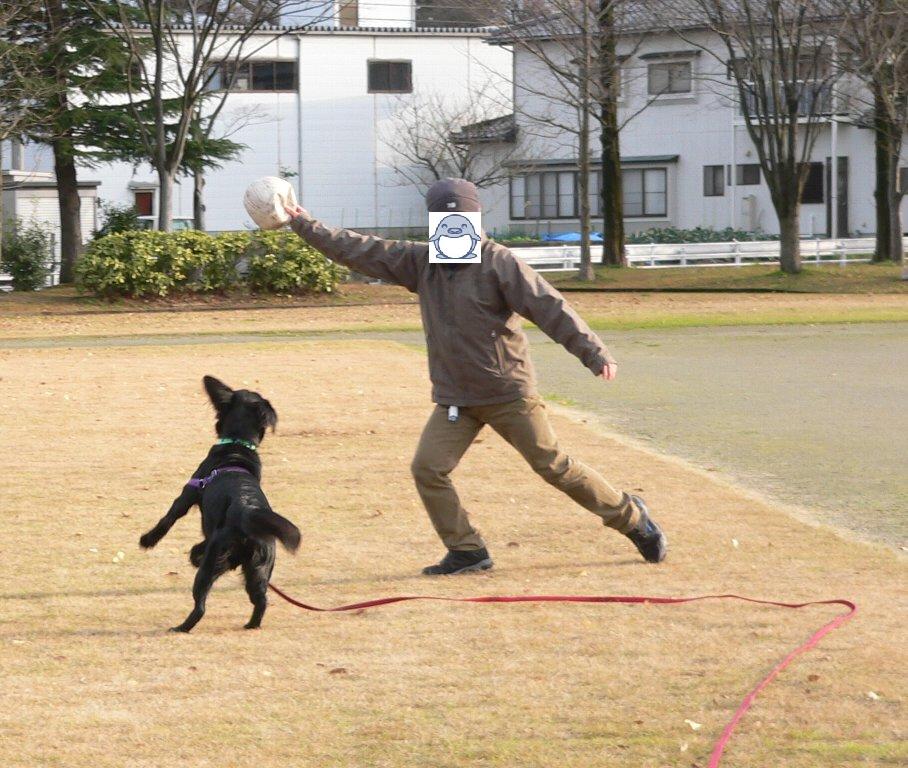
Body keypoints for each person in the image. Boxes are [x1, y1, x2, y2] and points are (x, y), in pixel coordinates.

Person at [284, 178, 666, 575]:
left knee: (552, 466)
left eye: (462, 219)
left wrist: (593, 352)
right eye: (444, 220)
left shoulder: (499, 262)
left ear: (475, 218)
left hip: (507, 393)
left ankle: (632, 519)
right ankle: (466, 550)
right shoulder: (420, 262)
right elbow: (358, 249)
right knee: (428, 468)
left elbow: (549, 306)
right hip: (456, 400)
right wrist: (303, 224)